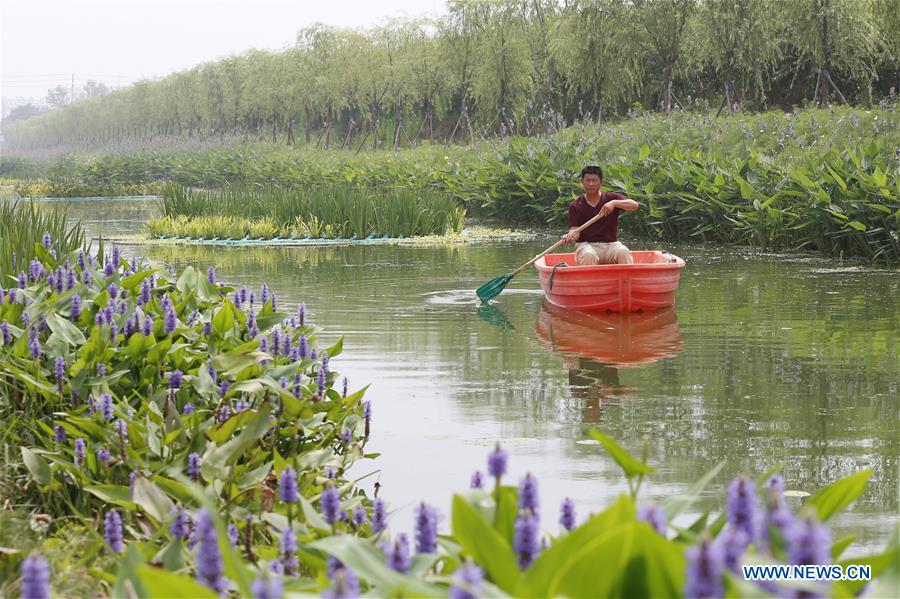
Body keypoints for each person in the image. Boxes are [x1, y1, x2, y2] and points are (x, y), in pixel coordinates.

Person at [561, 165, 639, 265]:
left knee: (623, 251)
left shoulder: (611, 198)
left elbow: (634, 205)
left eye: (594, 180)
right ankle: (589, 280)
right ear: (582, 182)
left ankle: (627, 280)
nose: (591, 184)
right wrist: (569, 236)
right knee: (588, 254)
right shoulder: (575, 205)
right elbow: (575, 231)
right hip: (587, 245)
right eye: (587, 180)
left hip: (610, 245)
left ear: (601, 182)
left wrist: (615, 203)